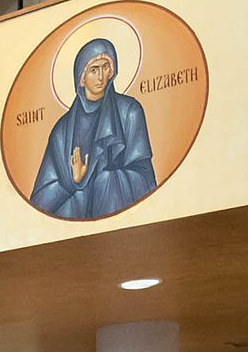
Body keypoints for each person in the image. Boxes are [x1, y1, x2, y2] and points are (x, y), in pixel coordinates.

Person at [28, 38, 159, 219]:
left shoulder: (129, 112)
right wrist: (72, 183)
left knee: (106, 181)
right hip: (74, 234)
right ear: (81, 77)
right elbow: (39, 203)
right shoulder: (62, 131)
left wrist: (106, 181)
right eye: (94, 70)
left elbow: (146, 180)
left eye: (105, 67)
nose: (101, 77)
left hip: (122, 221)